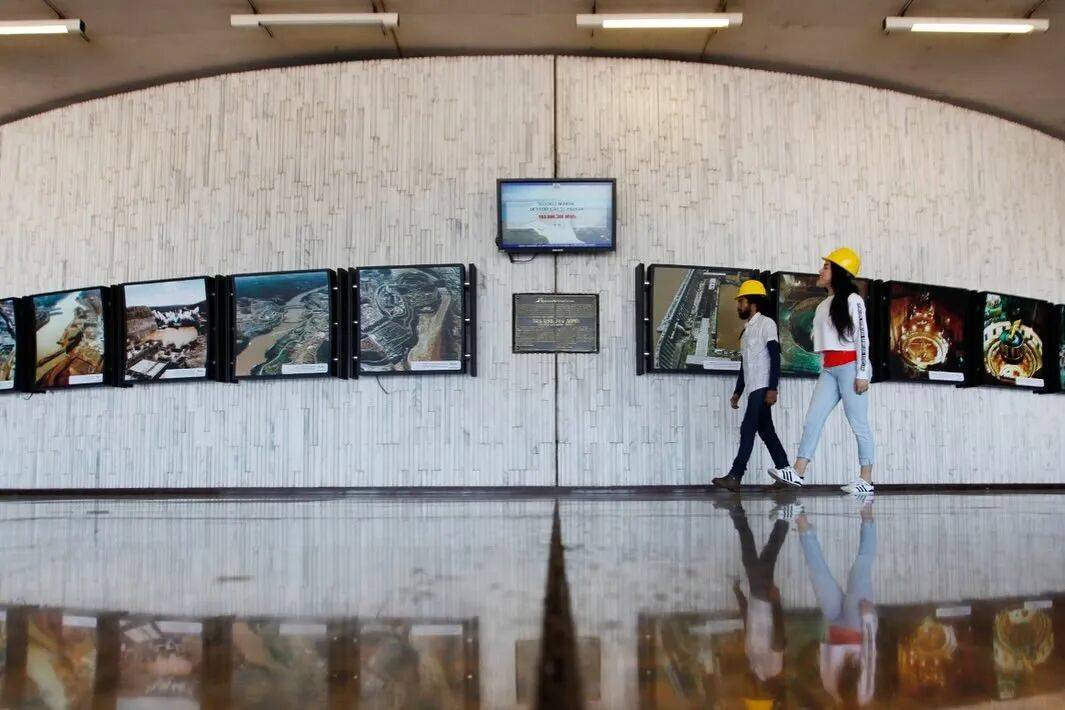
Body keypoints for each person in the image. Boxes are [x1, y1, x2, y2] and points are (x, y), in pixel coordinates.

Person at [768, 248, 875, 495]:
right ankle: (798, 471)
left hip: (851, 368)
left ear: (838, 271)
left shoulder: (854, 300)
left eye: (826, 267)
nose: (820, 270)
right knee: (813, 419)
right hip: (829, 370)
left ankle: (866, 480)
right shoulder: (823, 305)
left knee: (858, 424)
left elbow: (862, 337)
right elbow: (823, 342)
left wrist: (861, 373)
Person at [796, 500, 878, 707]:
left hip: (835, 623)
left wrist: (827, 631)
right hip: (858, 625)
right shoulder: (864, 694)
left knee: (818, 574)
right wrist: (868, 618)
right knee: (860, 568)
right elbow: (870, 657)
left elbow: (825, 655)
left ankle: (800, 519)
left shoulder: (831, 690)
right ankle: (866, 510)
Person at [712, 280, 791, 492]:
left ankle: (735, 476)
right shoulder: (747, 331)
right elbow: (744, 365)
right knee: (767, 432)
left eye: (741, 301)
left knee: (748, 428)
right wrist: (737, 392)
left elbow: (775, 357)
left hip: (763, 387)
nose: (739, 306)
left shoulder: (767, 324)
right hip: (753, 387)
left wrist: (773, 388)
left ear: (753, 302)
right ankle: (786, 474)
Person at [716, 498, 795, 708]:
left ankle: (786, 511)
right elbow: (778, 641)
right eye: (751, 692)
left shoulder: (755, 667)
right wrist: (776, 604)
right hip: (765, 601)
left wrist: (739, 595)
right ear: (764, 692)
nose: (746, 688)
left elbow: (748, 625)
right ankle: (739, 510)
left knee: (766, 553)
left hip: (756, 599)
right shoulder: (772, 669)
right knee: (753, 555)